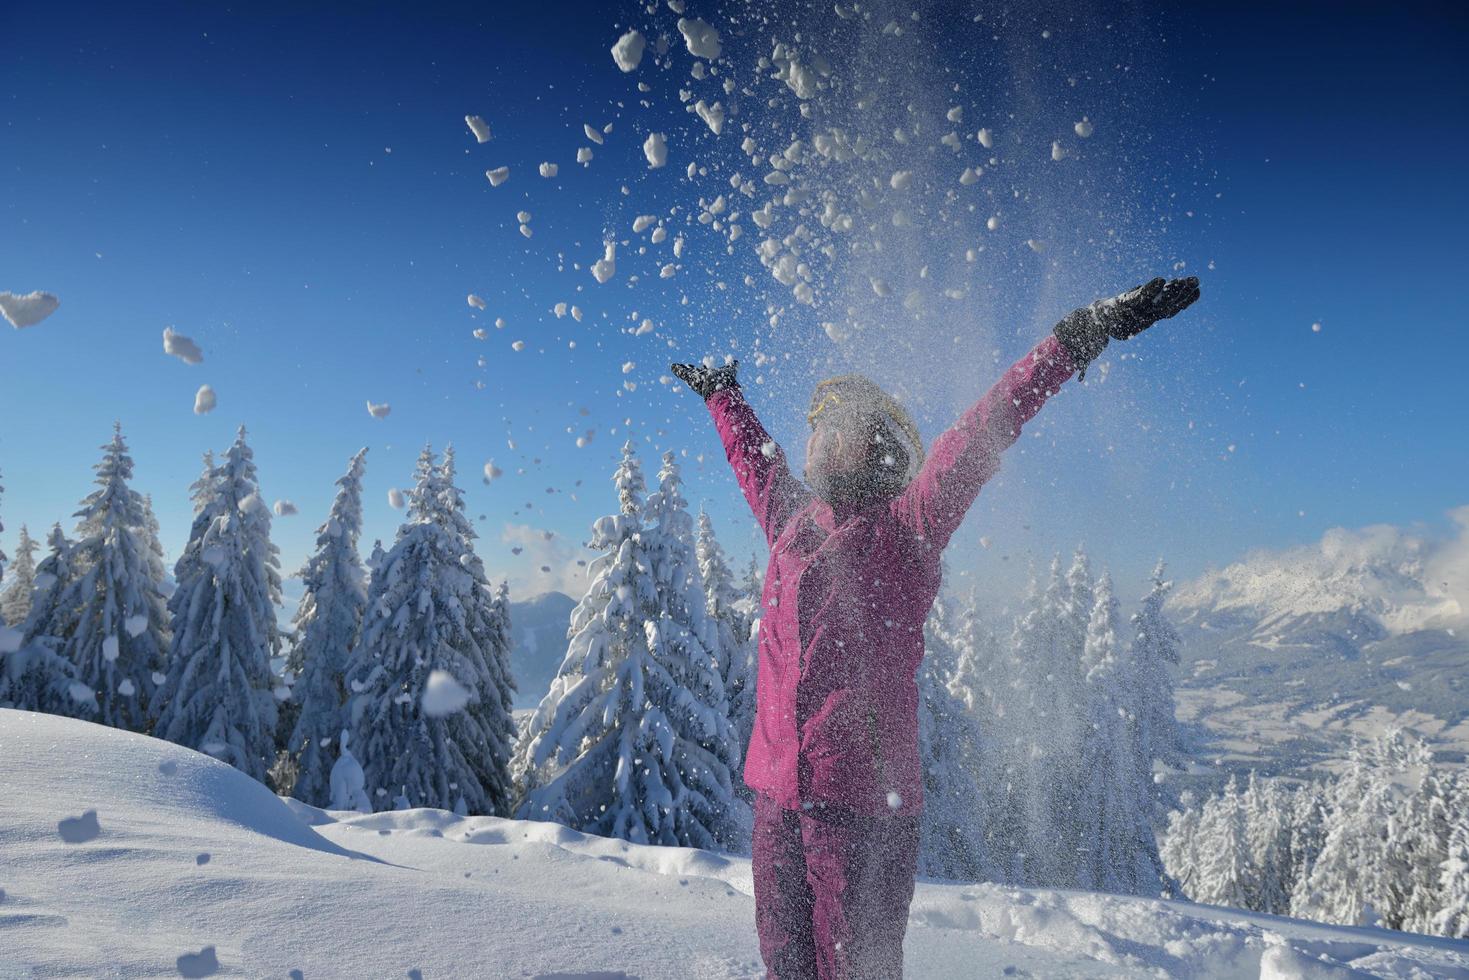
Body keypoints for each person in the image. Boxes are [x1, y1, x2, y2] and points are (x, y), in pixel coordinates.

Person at [671, 276, 1201, 980]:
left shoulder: (908, 528)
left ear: (880, 449)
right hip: (776, 800)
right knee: (785, 965)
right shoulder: (791, 521)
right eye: (818, 430)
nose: (821, 442)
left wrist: (1078, 336)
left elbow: (988, 422)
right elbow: (750, 457)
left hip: (861, 811)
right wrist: (722, 397)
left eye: (841, 431)